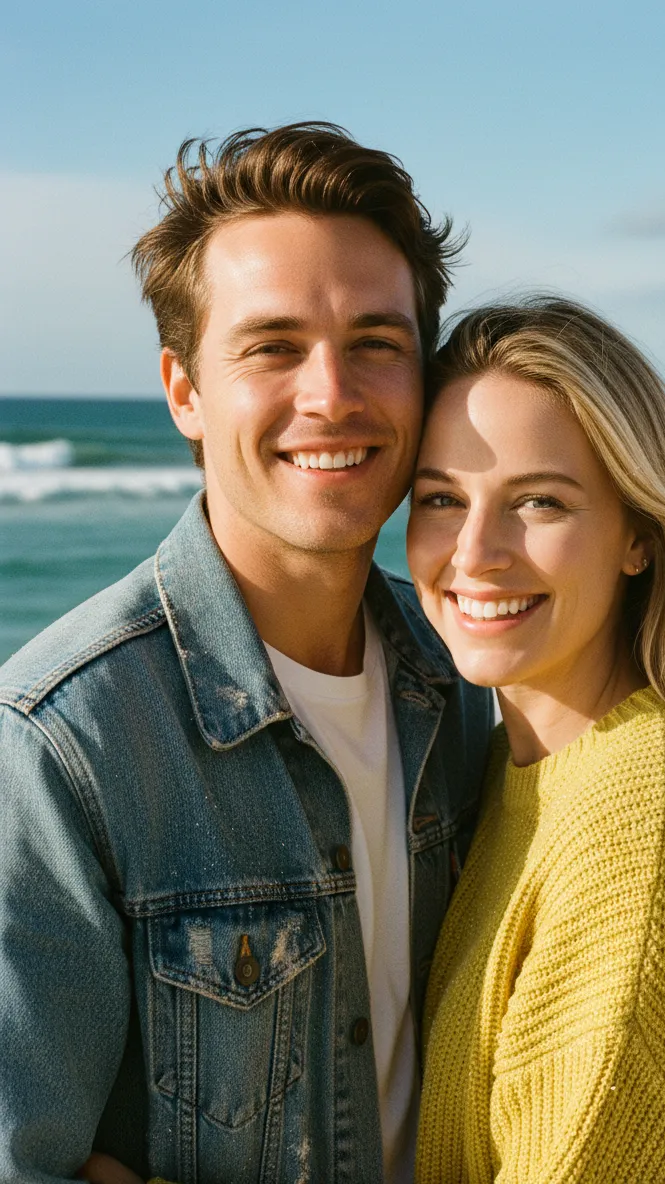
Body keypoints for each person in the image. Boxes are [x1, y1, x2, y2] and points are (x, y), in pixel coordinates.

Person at [0, 124, 492, 1183]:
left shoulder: (466, 683)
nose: (332, 394)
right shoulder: (62, 747)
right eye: (273, 346)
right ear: (184, 389)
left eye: (377, 341)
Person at [406, 297, 665, 1181]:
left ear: (638, 534)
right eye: (441, 497)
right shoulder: (509, 772)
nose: (475, 552)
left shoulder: (647, 809)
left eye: (540, 502)